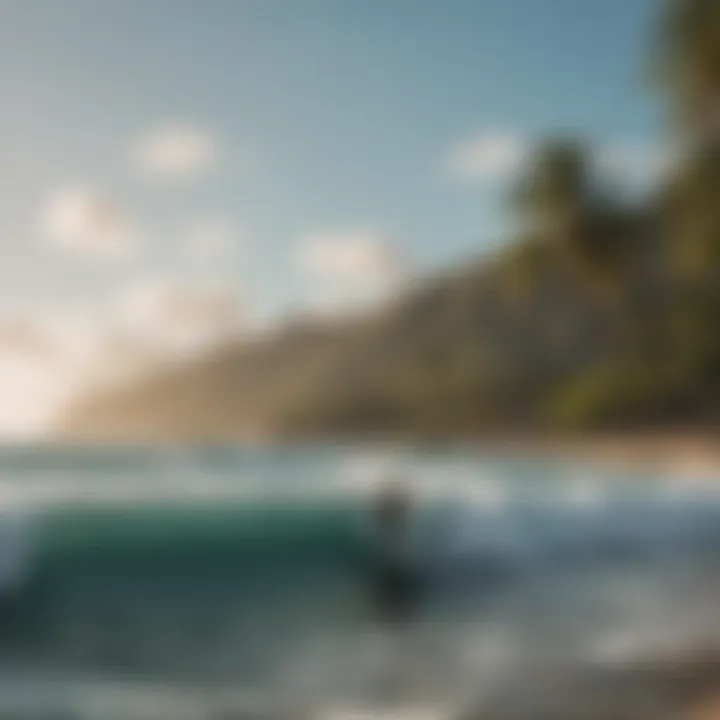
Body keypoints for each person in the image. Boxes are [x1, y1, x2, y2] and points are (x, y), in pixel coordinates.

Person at [369, 478, 421, 622]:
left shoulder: (392, 515)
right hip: (394, 562)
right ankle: (393, 612)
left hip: (394, 562)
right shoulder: (389, 514)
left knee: (395, 583)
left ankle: (393, 612)